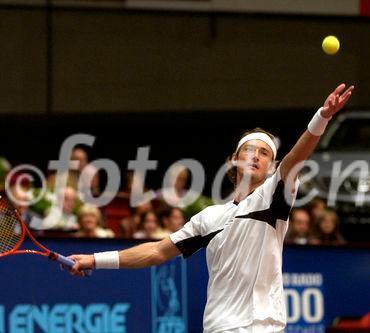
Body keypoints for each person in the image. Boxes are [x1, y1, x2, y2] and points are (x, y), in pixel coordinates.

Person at [65, 83, 354, 332]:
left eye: (264, 153)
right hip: (217, 327)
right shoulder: (208, 218)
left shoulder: (273, 198)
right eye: (249, 150)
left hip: (260, 326)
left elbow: (295, 157)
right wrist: (94, 259)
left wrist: (323, 117)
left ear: (272, 168)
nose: (255, 156)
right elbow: (156, 251)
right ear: (233, 159)